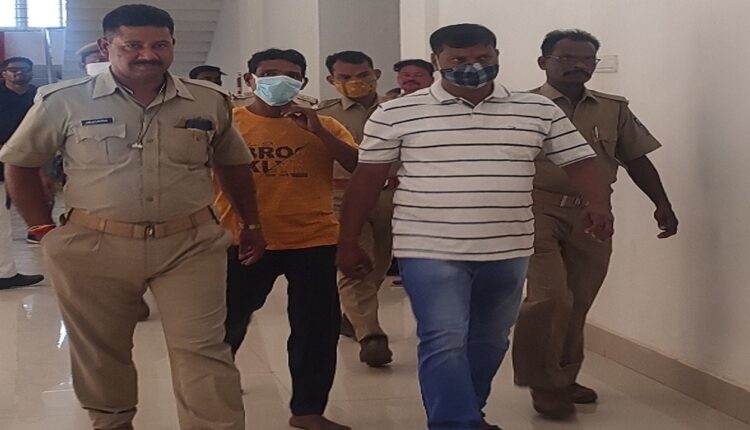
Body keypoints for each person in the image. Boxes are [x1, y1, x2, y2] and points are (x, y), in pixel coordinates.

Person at [336, 23, 614, 430]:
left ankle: (470, 412)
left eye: (482, 57)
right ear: (437, 61)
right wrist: (348, 240)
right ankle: (455, 422)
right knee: (444, 336)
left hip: (508, 247)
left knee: (490, 338)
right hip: (428, 248)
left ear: (497, 55)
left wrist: (598, 203)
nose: (472, 66)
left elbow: (581, 161)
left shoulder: (537, 110)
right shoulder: (397, 112)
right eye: (458, 59)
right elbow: (366, 179)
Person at [0, 5, 265, 429]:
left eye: (160, 45)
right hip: (94, 245)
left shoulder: (208, 100)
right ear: (107, 46)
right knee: (101, 350)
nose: (148, 54)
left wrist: (250, 223)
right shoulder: (63, 100)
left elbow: (233, 164)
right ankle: (112, 422)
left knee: (203, 349)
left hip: (190, 245)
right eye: (133, 45)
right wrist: (44, 229)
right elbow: (20, 162)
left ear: (173, 45)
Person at [511, 29, 679, 419]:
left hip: (593, 212)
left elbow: (635, 158)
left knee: (579, 297)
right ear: (544, 62)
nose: (578, 66)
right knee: (550, 296)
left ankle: (565, 376)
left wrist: (661, 202)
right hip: (535, 209)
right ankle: (544, 384)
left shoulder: (612, 108)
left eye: (587, 59)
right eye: (567, 58)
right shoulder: (521, 107)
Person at [214, 48, 356, 430]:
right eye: (268, 73)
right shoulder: (228, 123)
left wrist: (319, 131)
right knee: (226, 324)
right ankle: (214, 395)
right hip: (240, 239)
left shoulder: (324, 124)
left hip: (314, 241)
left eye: (292, 75)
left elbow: (359, 166)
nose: (280, 80)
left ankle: (308, 410)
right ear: (250, 80)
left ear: (303, 83)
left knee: (316, 331)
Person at [317, 50, 396, 367]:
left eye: (363, 75)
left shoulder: (398, 110)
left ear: (376, 74)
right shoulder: (324, 116)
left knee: (380, 263)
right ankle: (371, 336)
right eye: (345, 77)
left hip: (391, 196)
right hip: (342, 196)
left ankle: (353, 316)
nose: (356, 82)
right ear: (331, 80)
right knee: (354, 263)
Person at [0, 57, 44, 290]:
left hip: (29, 159)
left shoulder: (38, 96)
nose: (19, 74)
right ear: (4, 74)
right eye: (14, 70)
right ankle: (4, 274)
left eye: (25, 70)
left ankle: (6, 271)